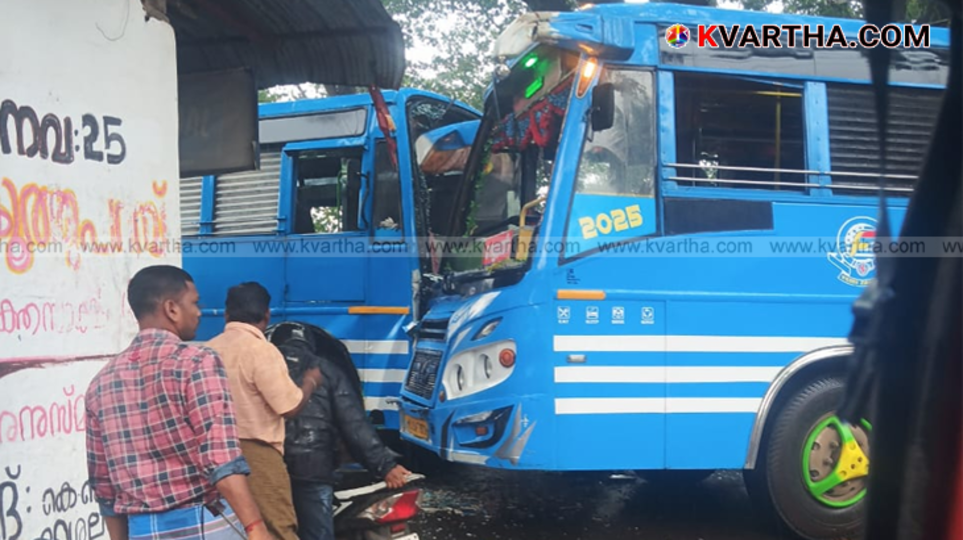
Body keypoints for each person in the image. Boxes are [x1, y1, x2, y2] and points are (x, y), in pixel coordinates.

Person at [85, 265, 269, 540]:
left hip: (142, 530)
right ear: (171, 309)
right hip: (206, 524)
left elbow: (104, 487)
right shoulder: (198, 363)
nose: (199, 312)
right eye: (194, 303)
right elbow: (221, 460)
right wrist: (257, 529)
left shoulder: (100, 384)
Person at [269, 322, 411, 540]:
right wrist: (385, 466)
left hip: (273, 468)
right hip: (314, 470)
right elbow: (354, 424)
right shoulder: (327, 370)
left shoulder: (264, 369)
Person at [206, 283, 322, 540]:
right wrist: (310, 382)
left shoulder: (206, 350)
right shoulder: (261, 350)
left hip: (213, 454)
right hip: (257, 456)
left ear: (226, 314)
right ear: (267, 315)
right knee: (278, 528)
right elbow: (289, 406)